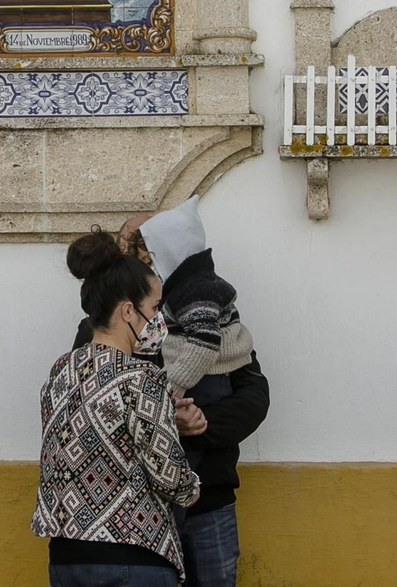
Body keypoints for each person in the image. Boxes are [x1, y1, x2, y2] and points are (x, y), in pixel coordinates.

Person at [109, 198, 271, 587]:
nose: (146, 256)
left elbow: (254, 395)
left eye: (150, 245)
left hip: (208, 501)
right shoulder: (107, 325)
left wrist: (201, 423)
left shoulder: (209, 311)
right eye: (137, 247)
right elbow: (100, 403)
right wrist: (165, 420)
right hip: (137, 505)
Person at [35, 228, 200, 587]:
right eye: (155, 308)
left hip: (65, 557)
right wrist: (193, 484)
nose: (160, 320)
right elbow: (172, 480)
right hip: (133, 557)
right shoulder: (141, 377)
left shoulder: (60, 371)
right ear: (128, 311)